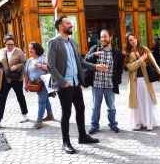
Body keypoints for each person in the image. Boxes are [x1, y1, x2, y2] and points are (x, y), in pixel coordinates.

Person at [47, 16, 107, 154]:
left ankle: (82, 136)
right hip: (65, 85)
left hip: (75, 83)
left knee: (81, 109)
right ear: (61, 27)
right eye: (68, 23)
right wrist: (63, 82)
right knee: (66, 113)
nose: (71, 25)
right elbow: (51, 66)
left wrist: (96, 67)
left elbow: (80, 61)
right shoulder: (54, 42)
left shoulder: (73, 42)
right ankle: (66, 141)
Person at [84, 29, 123, 135]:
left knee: (111, 107)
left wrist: (118, 80)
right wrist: (94, 55)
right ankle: (94, 126)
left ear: (110, 37)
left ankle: (113, 124)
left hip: (110, 84)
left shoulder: (116, 52)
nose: (103, 39)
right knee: (95, 107)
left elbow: (119, 67)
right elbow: (85, 60)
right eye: (101, 37)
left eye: (105, 37)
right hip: (97, 84)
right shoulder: (94, 48)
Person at [123, 32, 160, 131]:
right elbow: (130, 67)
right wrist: (141, 59)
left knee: (147, 101)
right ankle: (138, 122)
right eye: (130, 40)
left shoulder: (144, 49)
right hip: (134, 82)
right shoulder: (126, 53)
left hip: (145, 80)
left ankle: (149, 122)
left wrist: (159, 74)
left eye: (134, 38)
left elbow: (153, 62)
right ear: (128, 42)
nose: (133, 41)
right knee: (137, 101)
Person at [0, 35, 28, 127]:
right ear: (5, 44)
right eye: (8, 44)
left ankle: (24, 114)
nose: (10, 46)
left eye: (12, 44)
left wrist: (17, 66)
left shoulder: (18, 51)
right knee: (2, 97)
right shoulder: (1, 51)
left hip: (16, 78)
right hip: (5, 79)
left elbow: (24, 62)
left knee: (20, 95)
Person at [24, 42, 54, 129]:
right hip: (34, 84)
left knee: (41, 101)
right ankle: (50, 115)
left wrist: (41, 65)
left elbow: (51, 67)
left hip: (43, 83)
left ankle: (39, 120)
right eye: (29, 48)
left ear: (36, 49)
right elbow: (26, 73)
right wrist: (25, 84)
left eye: (31, 48)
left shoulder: (43, 58)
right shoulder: (29, 61)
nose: (30, 50)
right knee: (45, 99)